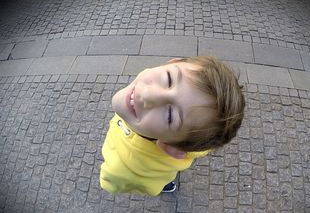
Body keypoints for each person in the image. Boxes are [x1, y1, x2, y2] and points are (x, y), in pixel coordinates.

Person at [100, 56, 245, 196]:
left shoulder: (121, 168)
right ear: (171, 62)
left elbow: (110, 183)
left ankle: (166, 183)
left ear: (171, 148)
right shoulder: (195, 137)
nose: (147, 94)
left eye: (170, 116)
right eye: (168, 79)